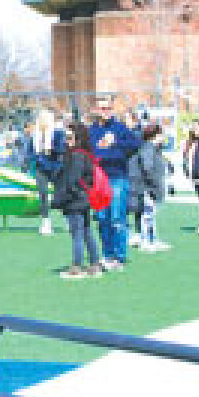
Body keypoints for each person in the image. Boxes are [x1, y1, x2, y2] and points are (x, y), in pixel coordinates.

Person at [87, 96, 140, 270]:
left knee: (117, 217)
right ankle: (107, 254)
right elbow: (92, 153)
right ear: (96, 110)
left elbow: (134, 144)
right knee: (102, 219)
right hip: (98, 180)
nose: (106, 112)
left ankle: (119, 256)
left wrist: (114, 145)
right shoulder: (91, 131)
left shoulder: (120, 128)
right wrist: (105, 154)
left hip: (117, 178)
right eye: (103, 108)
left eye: (109, 108)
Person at [51, 122, 103, 278]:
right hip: (83, 199)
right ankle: (94, 264)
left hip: (76, 200)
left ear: (77, 138)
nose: (66, 141)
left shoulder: (77, 156)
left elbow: (72, 180)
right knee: (87, 232)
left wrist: (65, 198)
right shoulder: (85, 154)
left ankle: (77, 267)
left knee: (78, 234)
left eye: (69, 137)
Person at [128, 124, 169, 252]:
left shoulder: (154, 148)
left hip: (149, 186)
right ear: (156, 135)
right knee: (147, 215)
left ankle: (152, 239)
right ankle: (146, 241)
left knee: (150, 214)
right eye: (161, 134)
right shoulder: (148, 147)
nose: (163, 137)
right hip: (146, 187)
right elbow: (147, 168)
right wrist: (154, 184)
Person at [32, 110, 65, 236]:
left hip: (56, 167)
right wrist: (34, 158)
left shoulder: (57, 133)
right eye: (41, 119)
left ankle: (67, 217)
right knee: (43, 194)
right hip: (41, 168)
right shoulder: (35, 135)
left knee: (61, 194)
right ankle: (45, 221)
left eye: (45, 119)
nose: (42, 121)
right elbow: (31, 150)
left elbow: (61, 149)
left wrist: (50, 149)